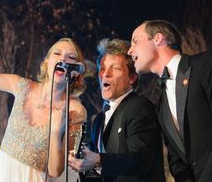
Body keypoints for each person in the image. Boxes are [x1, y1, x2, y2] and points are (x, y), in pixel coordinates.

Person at [0, 0, 87, 181]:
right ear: (46, 62)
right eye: (57, 54)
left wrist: (54, 133)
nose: (63, 60)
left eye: (71, 58)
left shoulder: (75, 110)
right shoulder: (21, 86)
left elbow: (56, 171)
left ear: (76, 71)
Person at [128, 19, 212, 182]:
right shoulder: (161, 105)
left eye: (135, 41)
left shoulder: (208, 65)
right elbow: (176, 161)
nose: (130, 51)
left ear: (158, 38)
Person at [68, 38, 165, 182]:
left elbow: (141, 160)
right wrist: (77, 167)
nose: (106, 74)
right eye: (102, 68)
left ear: (132, 77)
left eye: (115, 68)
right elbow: (100, 171)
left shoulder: (140, 107)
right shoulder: (99, 120)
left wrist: (98, 159)